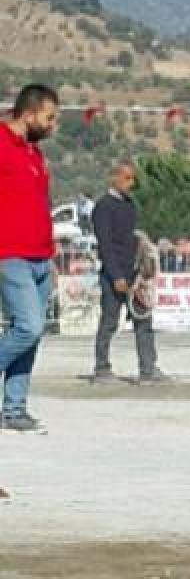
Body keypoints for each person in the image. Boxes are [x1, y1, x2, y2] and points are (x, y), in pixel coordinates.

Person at [0, 84, 60, 432]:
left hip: (40, 256)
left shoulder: (34, 154)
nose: (53, 125)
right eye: (49, 117)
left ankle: (14, 407)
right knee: (28, 326)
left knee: (31, 335)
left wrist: (51, 257)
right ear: (29, 114)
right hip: (9, 254)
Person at [91, 160, 168, 385]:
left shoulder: (130, 205)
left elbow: (132, 237)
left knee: (144, 321)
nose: (131, 183)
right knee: (109, 323)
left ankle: (148, 369)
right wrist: (116, 276)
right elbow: (105, 245)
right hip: (114, 276)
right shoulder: (103, 207)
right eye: (127, 178)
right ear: (114, 178)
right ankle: (102, 368)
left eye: (132, 178)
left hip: (135, 276)